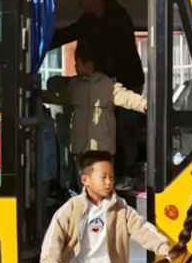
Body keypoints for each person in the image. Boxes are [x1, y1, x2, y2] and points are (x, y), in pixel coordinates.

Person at [41, 151, 172, 263]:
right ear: (85, 180)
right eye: (103, 177)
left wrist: (164, 248)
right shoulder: (72, 207)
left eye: (111, 176)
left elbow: (142, 228)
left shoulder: (120, 208)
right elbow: (54, 235)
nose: (109, 182)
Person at [50, 0, 144, 184]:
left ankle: (128, 172)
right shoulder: (88, 20)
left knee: (123, 126)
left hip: (126, 79)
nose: (78, 0)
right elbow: (68, 33)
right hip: (102, 79)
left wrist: (103, 79)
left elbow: (120, 53)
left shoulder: (118, 17)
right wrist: (41, 43)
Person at [41, 37, 147, 190]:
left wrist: (145, 104)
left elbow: (127, 98)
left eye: (77, 62)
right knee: (83, 186)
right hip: (80, 149)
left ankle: (103, 211)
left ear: (88, 64)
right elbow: (61, 96)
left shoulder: (108, 86)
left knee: (102, 186)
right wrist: (39, 94)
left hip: (101, 150)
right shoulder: (75, 85)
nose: (75, 66)